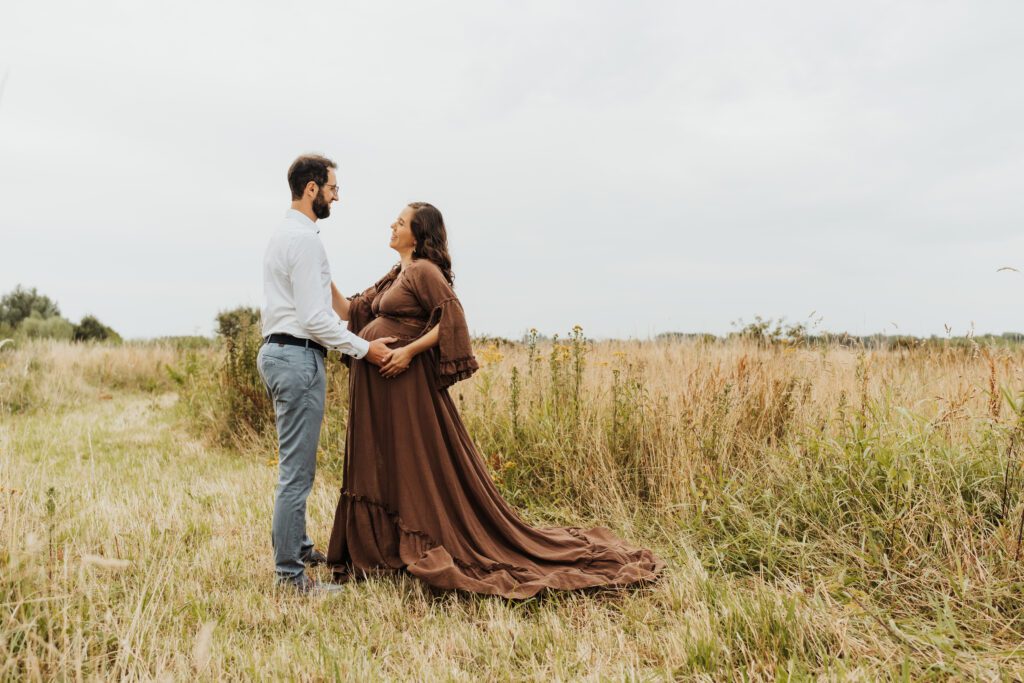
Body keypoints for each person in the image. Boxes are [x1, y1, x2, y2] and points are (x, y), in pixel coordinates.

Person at [326, 202, 663, 598]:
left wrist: (409, 352)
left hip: (405, 388)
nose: (392, 224)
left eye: (400, 222)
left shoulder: (423, 271)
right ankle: (382, 553)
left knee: (412, 465)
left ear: (418, 234)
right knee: (386, 463)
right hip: (381, 391)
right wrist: (320, 272)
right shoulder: (396, 276)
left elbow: (452, 318)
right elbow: (350, 310)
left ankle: (412, 544)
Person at [258, 154, 395, 594]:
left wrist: (360, 321)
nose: (337, 196)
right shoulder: (304, 241)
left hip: (285, 353)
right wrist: (365, 350)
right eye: (333, 188)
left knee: (296, 465)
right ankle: (290, 577)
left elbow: (324, 311)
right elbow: (314, 318)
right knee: (296, 473)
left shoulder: (289, 235)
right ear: (312, 188)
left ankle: (298, 546)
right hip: (297, 356)